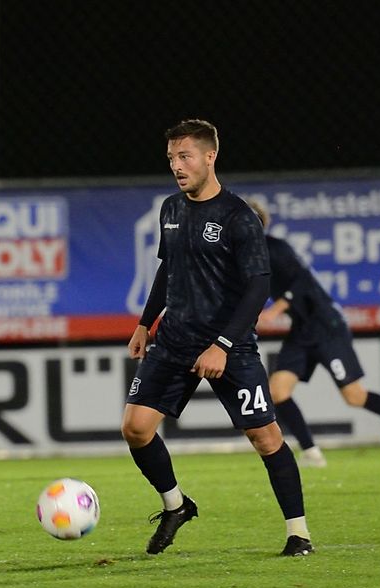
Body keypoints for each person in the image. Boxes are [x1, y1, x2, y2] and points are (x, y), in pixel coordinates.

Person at [122, 119, 313, 557]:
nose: (176, 165)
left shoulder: (238, 217)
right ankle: (176, 505)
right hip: (173, 341)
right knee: (135, 428)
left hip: (230, 346)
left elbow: (258, 287)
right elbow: (167, 270)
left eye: (184, 156)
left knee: (265, 437)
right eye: (171, 157)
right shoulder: (170, 209)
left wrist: (222, 344)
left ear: (210, 157)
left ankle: (298, 533)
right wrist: (145, 323)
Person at [251, 200, 380, 467]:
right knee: (278, 390)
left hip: (325, 325)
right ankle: (312, 453)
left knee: (354, 395)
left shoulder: (275, 248)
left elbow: (303, 280)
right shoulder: (249, 257)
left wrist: (276, 310)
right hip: (302, 328)